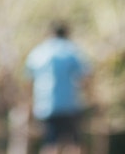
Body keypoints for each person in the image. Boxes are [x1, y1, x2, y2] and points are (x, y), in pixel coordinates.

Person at [24, 21, 93, 154]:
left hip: (45, 105)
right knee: (75, 143)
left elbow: (29, 80)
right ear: (67, 33)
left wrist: (29, 106)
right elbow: (86, 77)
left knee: (50, 143)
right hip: (70, 105)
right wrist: (91, 98)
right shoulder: (73, 50)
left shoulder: (38, 52)